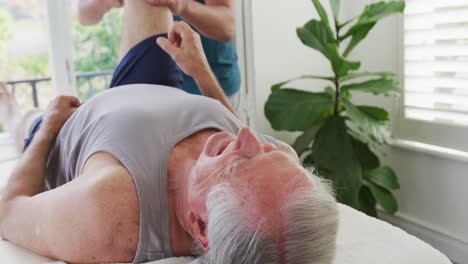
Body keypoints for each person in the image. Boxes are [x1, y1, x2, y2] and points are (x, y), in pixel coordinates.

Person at [0, 3, 339, 264]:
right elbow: (241, 133)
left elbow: (9, 211)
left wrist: (48, 129)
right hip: (156, 86)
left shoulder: (109, 211)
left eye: (237, 164)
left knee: (27, 121)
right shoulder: (274, 169)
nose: (251, 138)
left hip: (75, 124)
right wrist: (201, 72)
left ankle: (12, 111)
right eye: (269, 152)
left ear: (201, 226)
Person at [79, 0, 242, 109]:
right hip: (152, 86)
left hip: (212, 85)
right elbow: (84, 14)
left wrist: (181, 5)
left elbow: (226, 27)